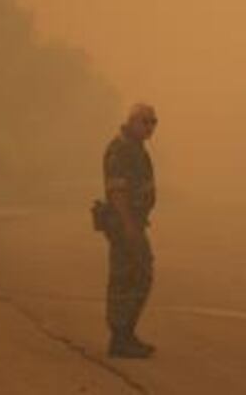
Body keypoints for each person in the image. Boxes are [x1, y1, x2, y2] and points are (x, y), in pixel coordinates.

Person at [102, 103, 158, 358]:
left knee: (140, 276)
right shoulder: (121, 149)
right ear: (132, 121)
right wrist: (128, 227)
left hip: (134, 223)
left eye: (153, 122)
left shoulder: (136, 148)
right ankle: (120, 337)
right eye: (145, 122)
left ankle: (126, 334)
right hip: (125, 225)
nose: (150, 127)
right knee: (126, 279)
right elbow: (117, 191)